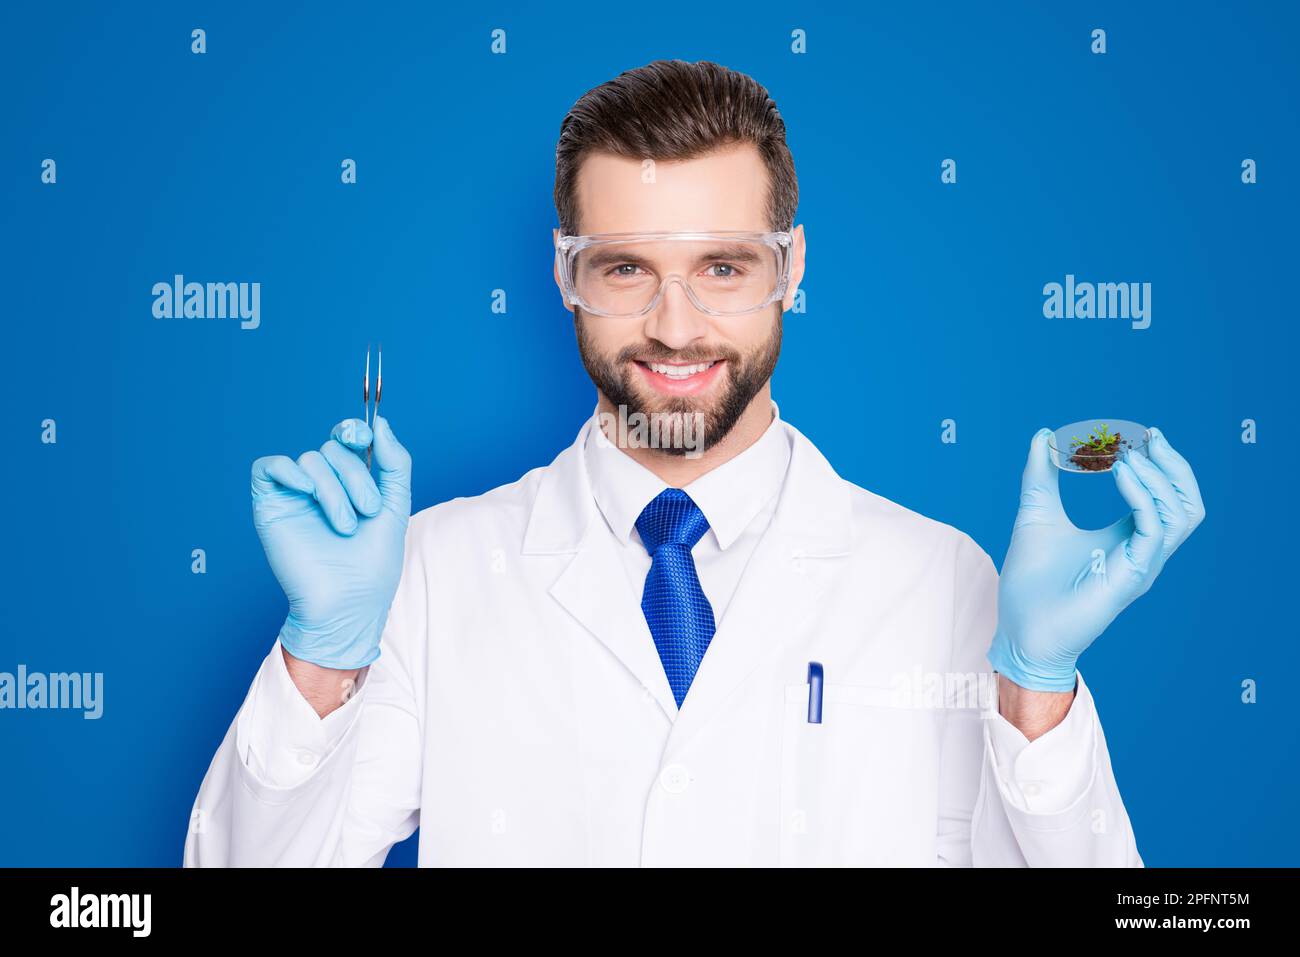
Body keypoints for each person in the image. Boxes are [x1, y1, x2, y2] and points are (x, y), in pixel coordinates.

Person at [184, 59, 1204, 867]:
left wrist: (1036, 688)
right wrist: (321, 661)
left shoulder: (942, 583)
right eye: (626, 268)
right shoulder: (434, 575)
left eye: (724, 267)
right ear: (565, 274)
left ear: (791, 269)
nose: (676, 329)